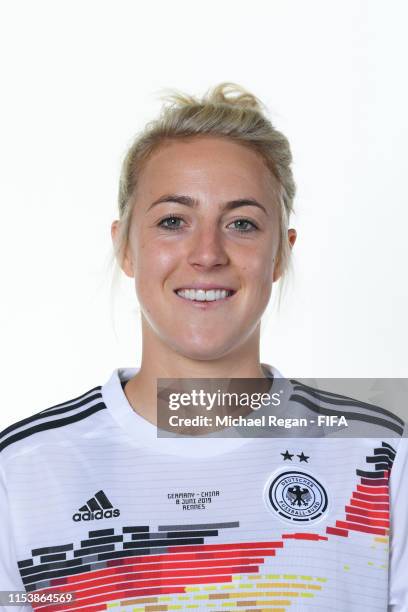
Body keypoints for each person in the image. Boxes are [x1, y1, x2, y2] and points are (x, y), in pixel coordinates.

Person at [0, 83, 406, 612]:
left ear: (281, 252)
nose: (207, 253)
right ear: (125, 246)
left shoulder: (383, 458)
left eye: (242, 224)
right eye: (173, 221)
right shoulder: (22, 471)